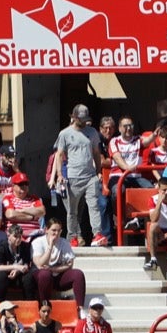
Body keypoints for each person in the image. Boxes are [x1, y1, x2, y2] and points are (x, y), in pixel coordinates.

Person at [50, 104, 108, 246]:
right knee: (72, 210)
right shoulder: (64, 134)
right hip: (73, 176)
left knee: (94, 205)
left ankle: (97, 234)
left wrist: (98, 171)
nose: (83, 122)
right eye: (81, 119)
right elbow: (59, 155)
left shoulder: (92, 132)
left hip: (90, 176)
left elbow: (96, 152)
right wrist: (59, 174)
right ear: (74, 117)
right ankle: (73, 236)